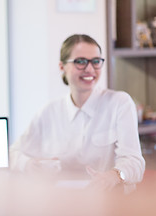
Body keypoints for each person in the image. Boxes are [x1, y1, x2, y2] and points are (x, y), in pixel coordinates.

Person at [10, 34, 145, 192]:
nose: (89, 69)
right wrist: (28, 165)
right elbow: (12, 153)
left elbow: (134, 161)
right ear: (62, 66)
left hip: (109, 201)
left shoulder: (119, 103)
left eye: (96, 61)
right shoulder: (48, 112)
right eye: (80, 62)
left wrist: (115, 175)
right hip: (62, 201)